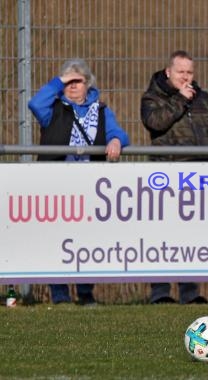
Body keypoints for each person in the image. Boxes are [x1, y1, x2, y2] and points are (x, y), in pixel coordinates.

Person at [28, 58, 130, 305]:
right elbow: (34, 102)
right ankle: (60, 295)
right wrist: (59, 81)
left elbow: (118, 133)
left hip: (90, 185)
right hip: (56, 185)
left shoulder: (102, 110)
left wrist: (115, 141)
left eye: (78, 81)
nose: (73, 86)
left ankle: (85, 293)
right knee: (56, 238)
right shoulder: (51, 109)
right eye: (68, 81)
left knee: (87, 238)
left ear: (88, 84)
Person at [141, 50, 208, 304]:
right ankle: (160, 292)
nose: (186, 77)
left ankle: (190, 292)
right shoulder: (152, 97)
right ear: (168, 72)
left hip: (199, 176)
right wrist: (180, 100)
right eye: (180, 72)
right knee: (161, 233)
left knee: (192, 235)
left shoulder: (202, 98)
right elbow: (155, 122)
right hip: (166, 175)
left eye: (189, 72)